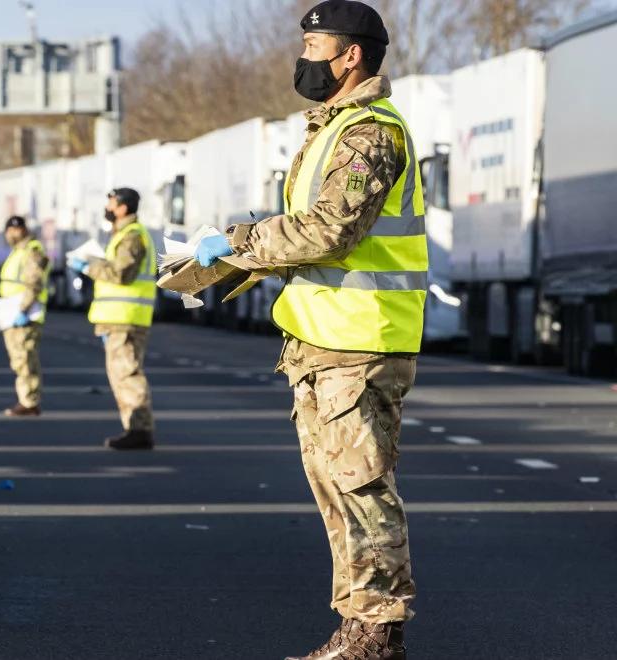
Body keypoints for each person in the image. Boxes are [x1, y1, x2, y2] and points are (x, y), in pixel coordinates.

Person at [195, 2, 422, 658]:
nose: (303, 58)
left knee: (361, 489)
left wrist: (240, 243)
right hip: (324, 344)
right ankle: (357, 630)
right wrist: (238, 257)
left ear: (351, 56)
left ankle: (376, 633)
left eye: (315, 43)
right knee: (338, 496)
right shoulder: (333, 129)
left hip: (360, 341)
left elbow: (330, 230)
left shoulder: (369, 132)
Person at [70, 188, 156, 450]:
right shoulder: (123, 235)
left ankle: (139, 429)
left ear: (123, 207)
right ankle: (134, 427)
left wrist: (88, 266)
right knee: (120, 375)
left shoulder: (132, 237)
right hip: (118, 319)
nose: (107, 206)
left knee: (127, 374)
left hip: (126, 318)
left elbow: (121, 274)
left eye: (111, 201)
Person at [0, 216, 49, 417]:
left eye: (16, 229)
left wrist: (24, 310)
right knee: (19, 359)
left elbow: (34, 282)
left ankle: (29, 401)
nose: (12, 233)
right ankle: (26, 399)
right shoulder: (18, 252)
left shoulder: (32, 251)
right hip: (12, 313)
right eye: (9, 229)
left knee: (26, 358)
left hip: (25, 314)